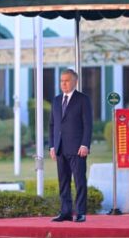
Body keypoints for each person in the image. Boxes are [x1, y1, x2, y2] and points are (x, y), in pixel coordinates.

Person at [48, 69, 93, 223]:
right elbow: (52, 125)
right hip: (60, 148)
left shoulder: (83, 99)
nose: (63, 83)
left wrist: (85, 144)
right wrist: (52, 146)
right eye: (61, 81)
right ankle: (65, 212)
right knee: (63, 182)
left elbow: (88, 124)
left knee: (79, 181)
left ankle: (80, 212)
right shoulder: (56, 100)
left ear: (75, 82)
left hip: (78, 148)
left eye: (67, 80)